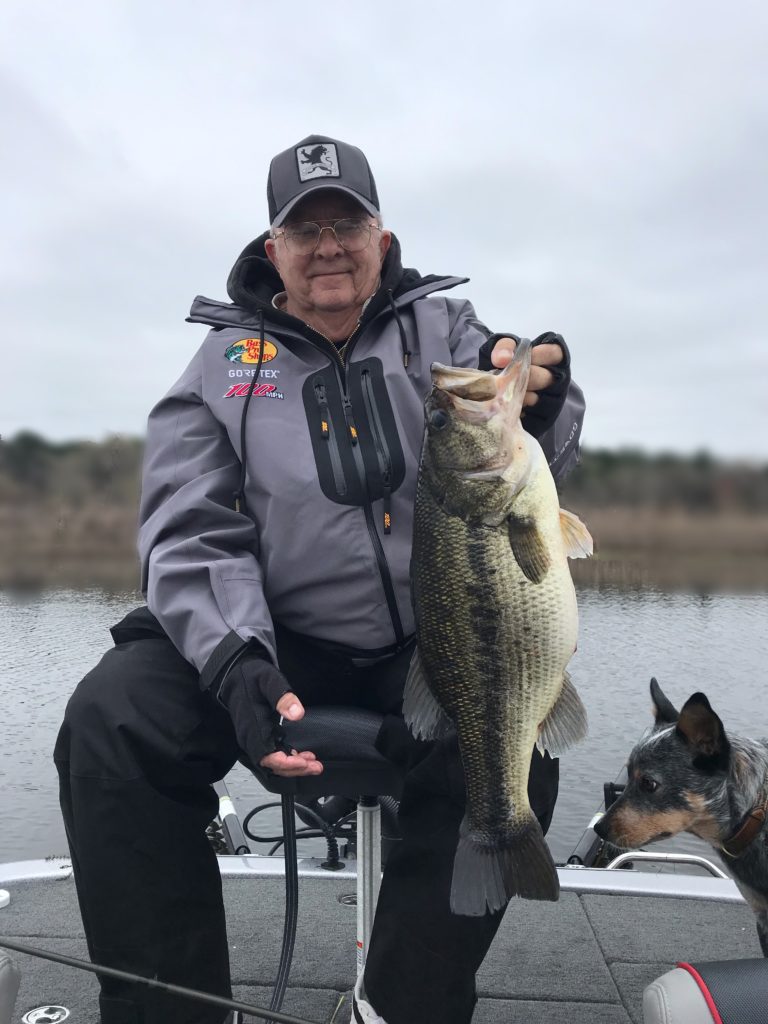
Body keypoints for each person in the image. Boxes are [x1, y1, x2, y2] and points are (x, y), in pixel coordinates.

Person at [54, 134, 585, 1024]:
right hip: (274, 639)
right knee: (114, 721)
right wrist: (236, 661)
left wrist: (548, 400)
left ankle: (402, 1007)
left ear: (383, 239)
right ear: (275, 250)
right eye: (306, 230)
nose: (328, 246)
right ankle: (171, 1012)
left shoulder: (448, 333)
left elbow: (542, 465)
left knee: (513, 750)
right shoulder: (220, 368)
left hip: (433, 636)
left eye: (348, 224)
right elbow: (188, 528)